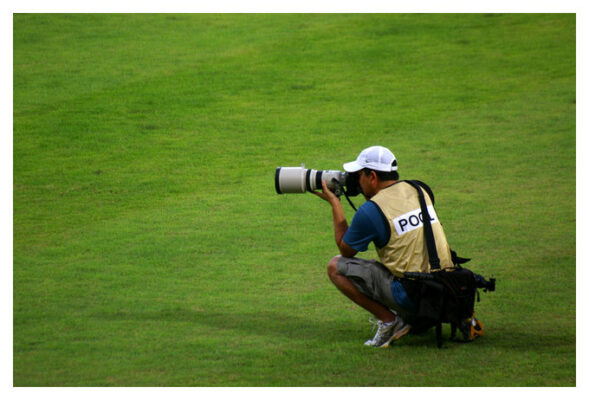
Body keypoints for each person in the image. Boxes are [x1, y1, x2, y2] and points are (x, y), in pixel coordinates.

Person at [312, 145, 455, 348]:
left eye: (359, 175)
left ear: (372, 176)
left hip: (411, 294)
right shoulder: (419, 188)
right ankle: (429, 318)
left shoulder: (372, 210)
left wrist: (335, 202)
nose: (355, 181)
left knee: (335, 266)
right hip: (445, 287)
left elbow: (346, 250)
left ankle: (390, 321)